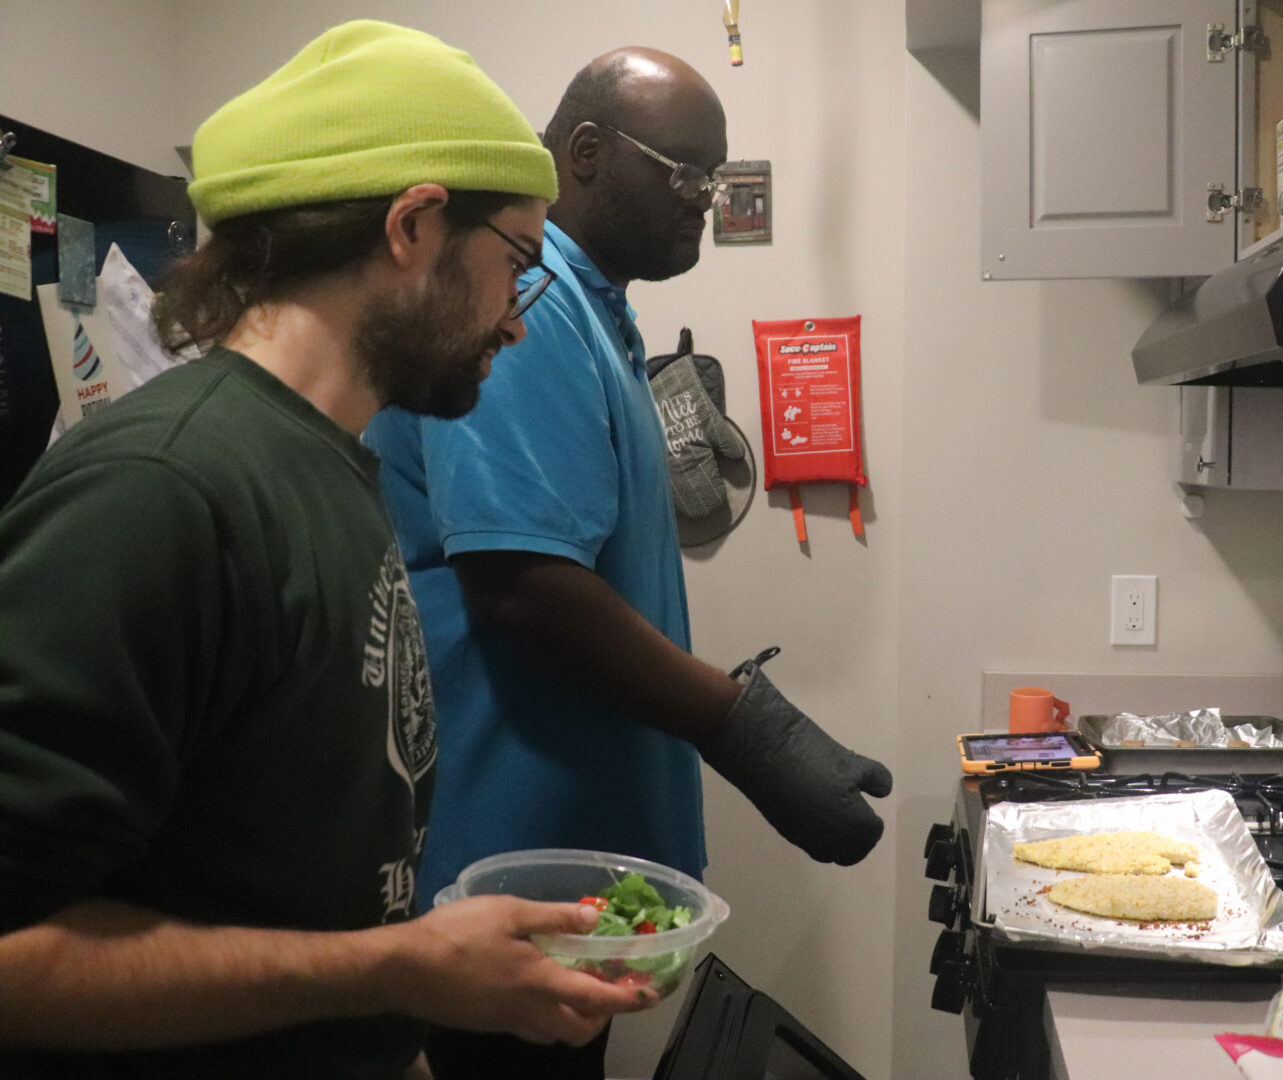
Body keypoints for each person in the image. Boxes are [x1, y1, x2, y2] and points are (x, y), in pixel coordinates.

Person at [0, 21, 653, 1080]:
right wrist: (389, 974)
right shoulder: (162, 490)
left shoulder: (333, 464)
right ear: (412, 225)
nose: (520, 323)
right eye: (517, 265)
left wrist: (400, 1020)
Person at [364, 47, 894, 1080]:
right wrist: (741, 726)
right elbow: (522, 583)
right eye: (688, 173)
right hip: (501, 863)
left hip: (566, 859)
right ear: (591, 154)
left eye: (718, 178)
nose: (706, 199)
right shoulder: (535, 304)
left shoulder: (594, 305)